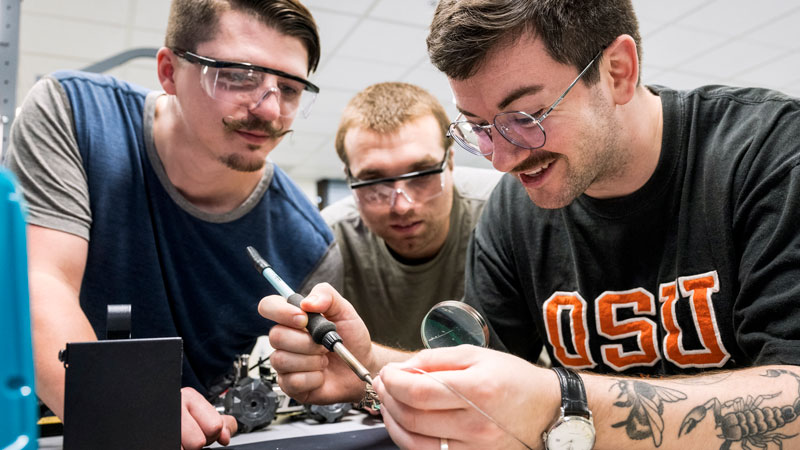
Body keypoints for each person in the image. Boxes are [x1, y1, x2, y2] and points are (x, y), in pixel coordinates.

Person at [258, 0, 800, 449]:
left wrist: (562, 403)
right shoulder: (514, 212)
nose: (500, 160)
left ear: (617, 72)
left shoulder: (768, 154)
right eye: (477, 128)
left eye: (524, 118)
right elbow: (484, 380)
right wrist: (369, 362)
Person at [2, 0, 341, 448]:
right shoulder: (75, 114)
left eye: (291, 88)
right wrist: (129, 409)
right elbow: (41, 282)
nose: (269, 109)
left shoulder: (307, 242)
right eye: (240, 75)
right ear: (169, 71)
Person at [320, 82, 501, 350]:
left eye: (421, 175)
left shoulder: (503, 211)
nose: (402, 206)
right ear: (349, 180)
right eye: (374, 182)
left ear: (450, 163)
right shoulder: (328, 239)